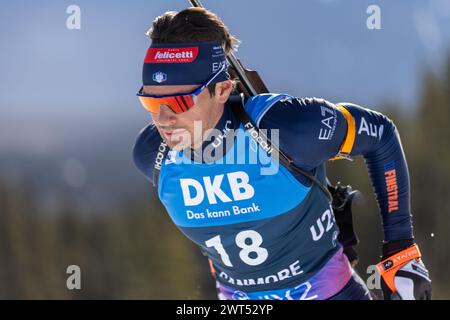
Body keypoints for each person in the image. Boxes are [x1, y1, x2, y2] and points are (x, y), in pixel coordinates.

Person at [133, 7, 432, 300]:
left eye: (181, 101)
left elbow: (379, 134)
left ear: (223, 90)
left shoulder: (290, 129)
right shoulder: (153, 156)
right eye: (151, 102)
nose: (163, 118)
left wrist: (401, 251)